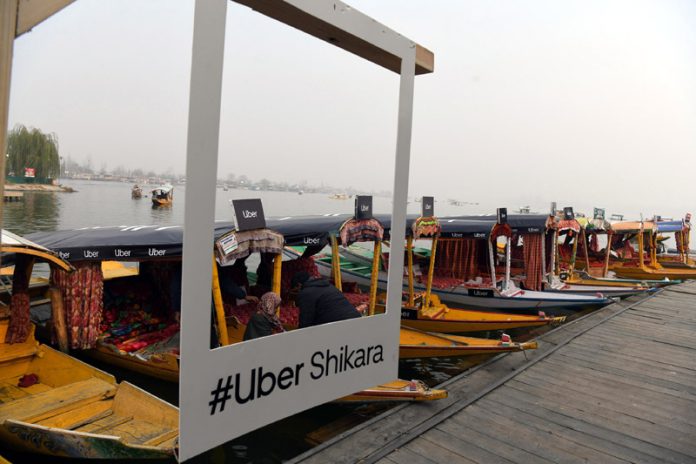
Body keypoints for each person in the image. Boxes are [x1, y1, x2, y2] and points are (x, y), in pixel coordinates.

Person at [290, 272, 362, 329]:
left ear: (299, 285)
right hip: (356, 319)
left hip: (339, 325)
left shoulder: (306, 293)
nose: (297, 294)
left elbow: (305, 320)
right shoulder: (328, 286)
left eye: (296, 291)